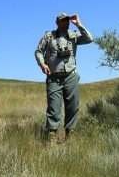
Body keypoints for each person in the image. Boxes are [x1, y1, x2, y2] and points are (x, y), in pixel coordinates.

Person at [35, 12, 93, 145]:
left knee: (72, 106)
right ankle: (52, 135)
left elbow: (89, 39)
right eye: (62, 21)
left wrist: (79, 24)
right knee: (54, 108)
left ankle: (70, 134)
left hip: (70, 76)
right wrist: (42, 64)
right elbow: (38, 51)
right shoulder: (49, 36)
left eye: (67, 20)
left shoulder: (74, 36)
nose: (65, 23)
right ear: (57, 23)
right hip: (54, 77)